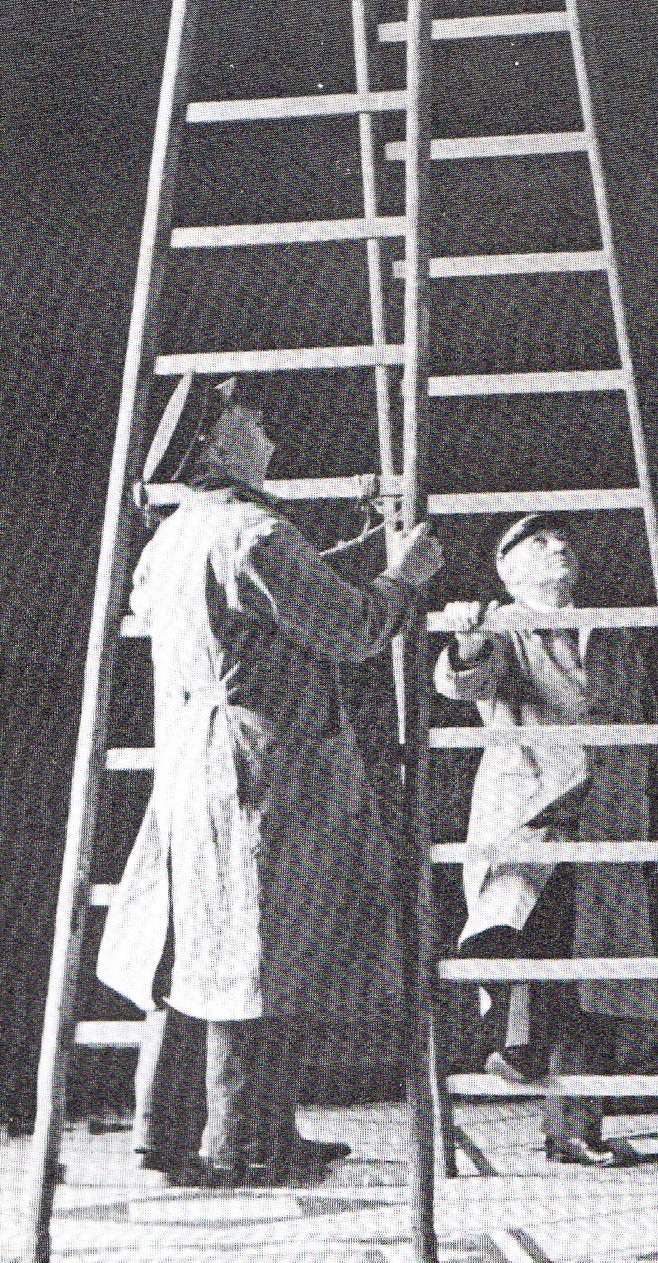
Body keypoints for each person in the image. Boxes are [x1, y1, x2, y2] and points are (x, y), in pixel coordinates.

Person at [98, 384, 444, 1188]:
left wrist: (359, 554)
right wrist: (408, 574)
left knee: (194, 947)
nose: (268, 432)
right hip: (261, 770)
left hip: (194, 762)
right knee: (258, 954)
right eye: (251, 420)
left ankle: (166, 1133)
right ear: (216, 444)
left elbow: (263, 604)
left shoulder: (175, 535)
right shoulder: (256, 533)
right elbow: (351, 628)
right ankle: (243, 1142)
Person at [435, 515, 658, 1168]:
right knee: (530, 937)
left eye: (561, 537)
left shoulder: (614, 630)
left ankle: (572, 1125)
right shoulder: (504, 627)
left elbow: (651, 720)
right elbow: (465, 681)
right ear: (509, 571)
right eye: (538, 542)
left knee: (596, 978)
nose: (559, 544)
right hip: (534, 816)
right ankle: (520, 1043)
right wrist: (466, 643)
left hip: (612, 816)